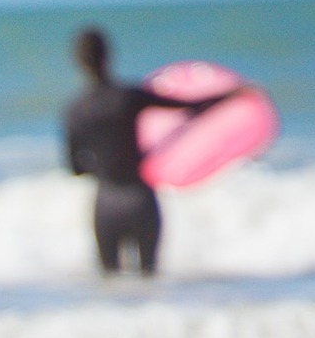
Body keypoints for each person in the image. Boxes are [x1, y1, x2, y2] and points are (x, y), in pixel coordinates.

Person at [63, 27, 213, 277]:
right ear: (108, 55)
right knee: (149, 277)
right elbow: (189, 107)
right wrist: (233, 94)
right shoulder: (129, 97)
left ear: (78, 61)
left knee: (109, 282)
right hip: (140, 198)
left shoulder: (75, 110)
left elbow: (75, 168)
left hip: (106, 203)